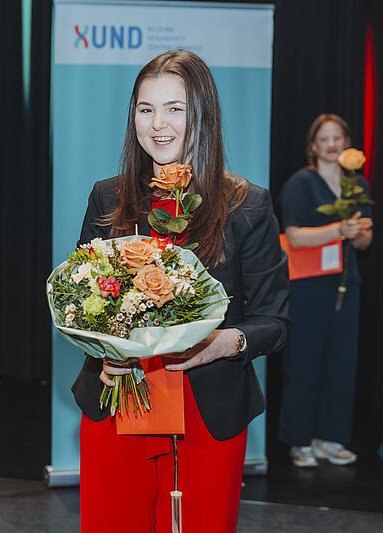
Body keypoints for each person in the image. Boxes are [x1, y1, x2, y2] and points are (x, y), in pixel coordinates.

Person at [71, 49, 289, 532]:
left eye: (175, 108)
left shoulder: (247, 205)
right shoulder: (108, 196)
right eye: (146, 109)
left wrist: (222, 343)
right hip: (118, 403)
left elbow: (275, 322)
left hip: (206, 414)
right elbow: (80, 300)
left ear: (203, 115)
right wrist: (103, 349)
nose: (158, 124)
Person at [277, 114, 373, 468]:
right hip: (308, 287)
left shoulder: (357, 185)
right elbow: (295, 236)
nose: (332, 144)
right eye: (325, 138)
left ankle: (330, 438)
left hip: (347, 285)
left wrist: (358, 233)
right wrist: (339, 230)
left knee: (341, 363)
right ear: (313, 146)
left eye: (338, 138)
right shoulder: (301, 182)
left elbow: (365, 242)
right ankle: (299, 441)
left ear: (347, 143)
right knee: (304, 363)